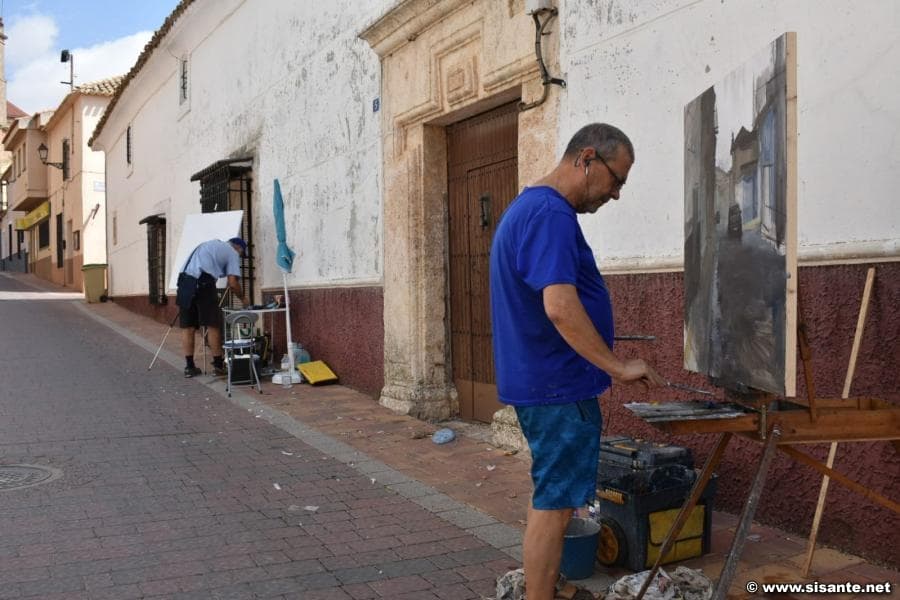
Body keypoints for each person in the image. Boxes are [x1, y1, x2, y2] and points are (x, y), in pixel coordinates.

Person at [489, 123, 666, 599]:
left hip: (546, 382)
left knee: (554, 498)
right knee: (554, 504)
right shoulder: (551, 214)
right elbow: (560, 307)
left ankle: (547, 588)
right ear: (587, 158)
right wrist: (617, 366)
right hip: (557, 387)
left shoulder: (531, 208)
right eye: (616, 179)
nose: (617, 193)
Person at [177, 237, 249, 377]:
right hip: (203, 281)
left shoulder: (210, 245)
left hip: (184, 281)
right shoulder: (232, 253)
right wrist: (243, 298)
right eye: (241, 254)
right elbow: (233, 283)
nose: (239, 257)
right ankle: (218, 366)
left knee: (188, 327)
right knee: (212, 325)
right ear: (238, 248)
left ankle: (189, 367)